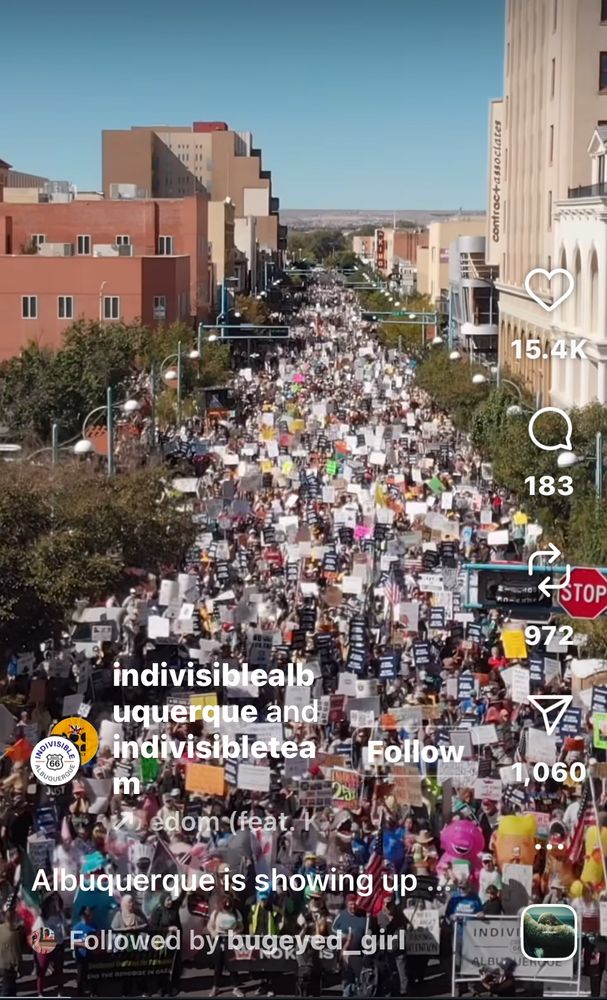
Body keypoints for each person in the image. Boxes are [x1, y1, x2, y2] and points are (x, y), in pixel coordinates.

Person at [206, 896, 244, 998]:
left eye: (229, 903)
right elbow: (210, 926)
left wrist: (236, 933)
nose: (227, 905)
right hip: (219, 940)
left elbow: (241, 927)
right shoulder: (216, 913)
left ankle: (236, 987)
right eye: (225, 903)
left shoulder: (236, 913)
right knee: (218, 965)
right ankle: (215, 987)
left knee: (233, 964)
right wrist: (214, 933)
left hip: (231, 940)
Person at [32, 894, 68, 998]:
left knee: (59, 969)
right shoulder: (42, 918)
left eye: (56, 902)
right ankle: (40, 992)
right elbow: (35, 932)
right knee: (42, 970)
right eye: (53, 902)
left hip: (58, 945)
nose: (55, 905)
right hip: (45, 945)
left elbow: (66, 932)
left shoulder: (60, 916)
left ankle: (60, 990)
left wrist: (63, 926)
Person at [71, 905, 96, 996]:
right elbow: (72, 942)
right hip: (81, 955)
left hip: (92, 954)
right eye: (88, 913)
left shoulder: (93, 926)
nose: (90, 915)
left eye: (90, 913)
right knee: (81, 975)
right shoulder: (77, 927)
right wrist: (84, 944)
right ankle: (80, 993)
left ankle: (93, 991)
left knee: (92, 974)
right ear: (83, 915)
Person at [0, 908, 23, 998]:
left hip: (5, 964)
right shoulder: (13, 932)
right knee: (7, 989)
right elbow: (15, 952)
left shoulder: (3, 929)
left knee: (11, 989)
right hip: (8, 966)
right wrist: (19, 965)